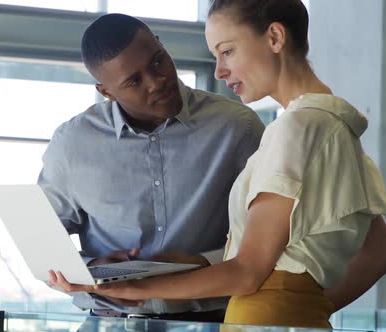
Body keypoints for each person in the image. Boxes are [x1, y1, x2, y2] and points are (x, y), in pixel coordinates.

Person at [49, 0, 386, 328]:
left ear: (274, 37)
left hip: (243, 315)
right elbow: (380, 252)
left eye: (227, 51)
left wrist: (129, 288)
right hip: (259, 316)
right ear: (106, 91)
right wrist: (304, 310)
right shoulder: (330, 124)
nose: (218, 70)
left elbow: (247, 272)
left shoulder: (292, 128)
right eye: (216, 54)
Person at [38, 13, 265, 322]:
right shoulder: (72, 143)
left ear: (160, 45)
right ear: (106, 91)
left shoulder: (238, 128)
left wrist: (205, 262)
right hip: (109, 321)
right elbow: (41, 244)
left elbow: (274, 235)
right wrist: (91, 269)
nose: (157, 81)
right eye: (134, 80)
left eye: (158, 61)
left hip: (212, 321)